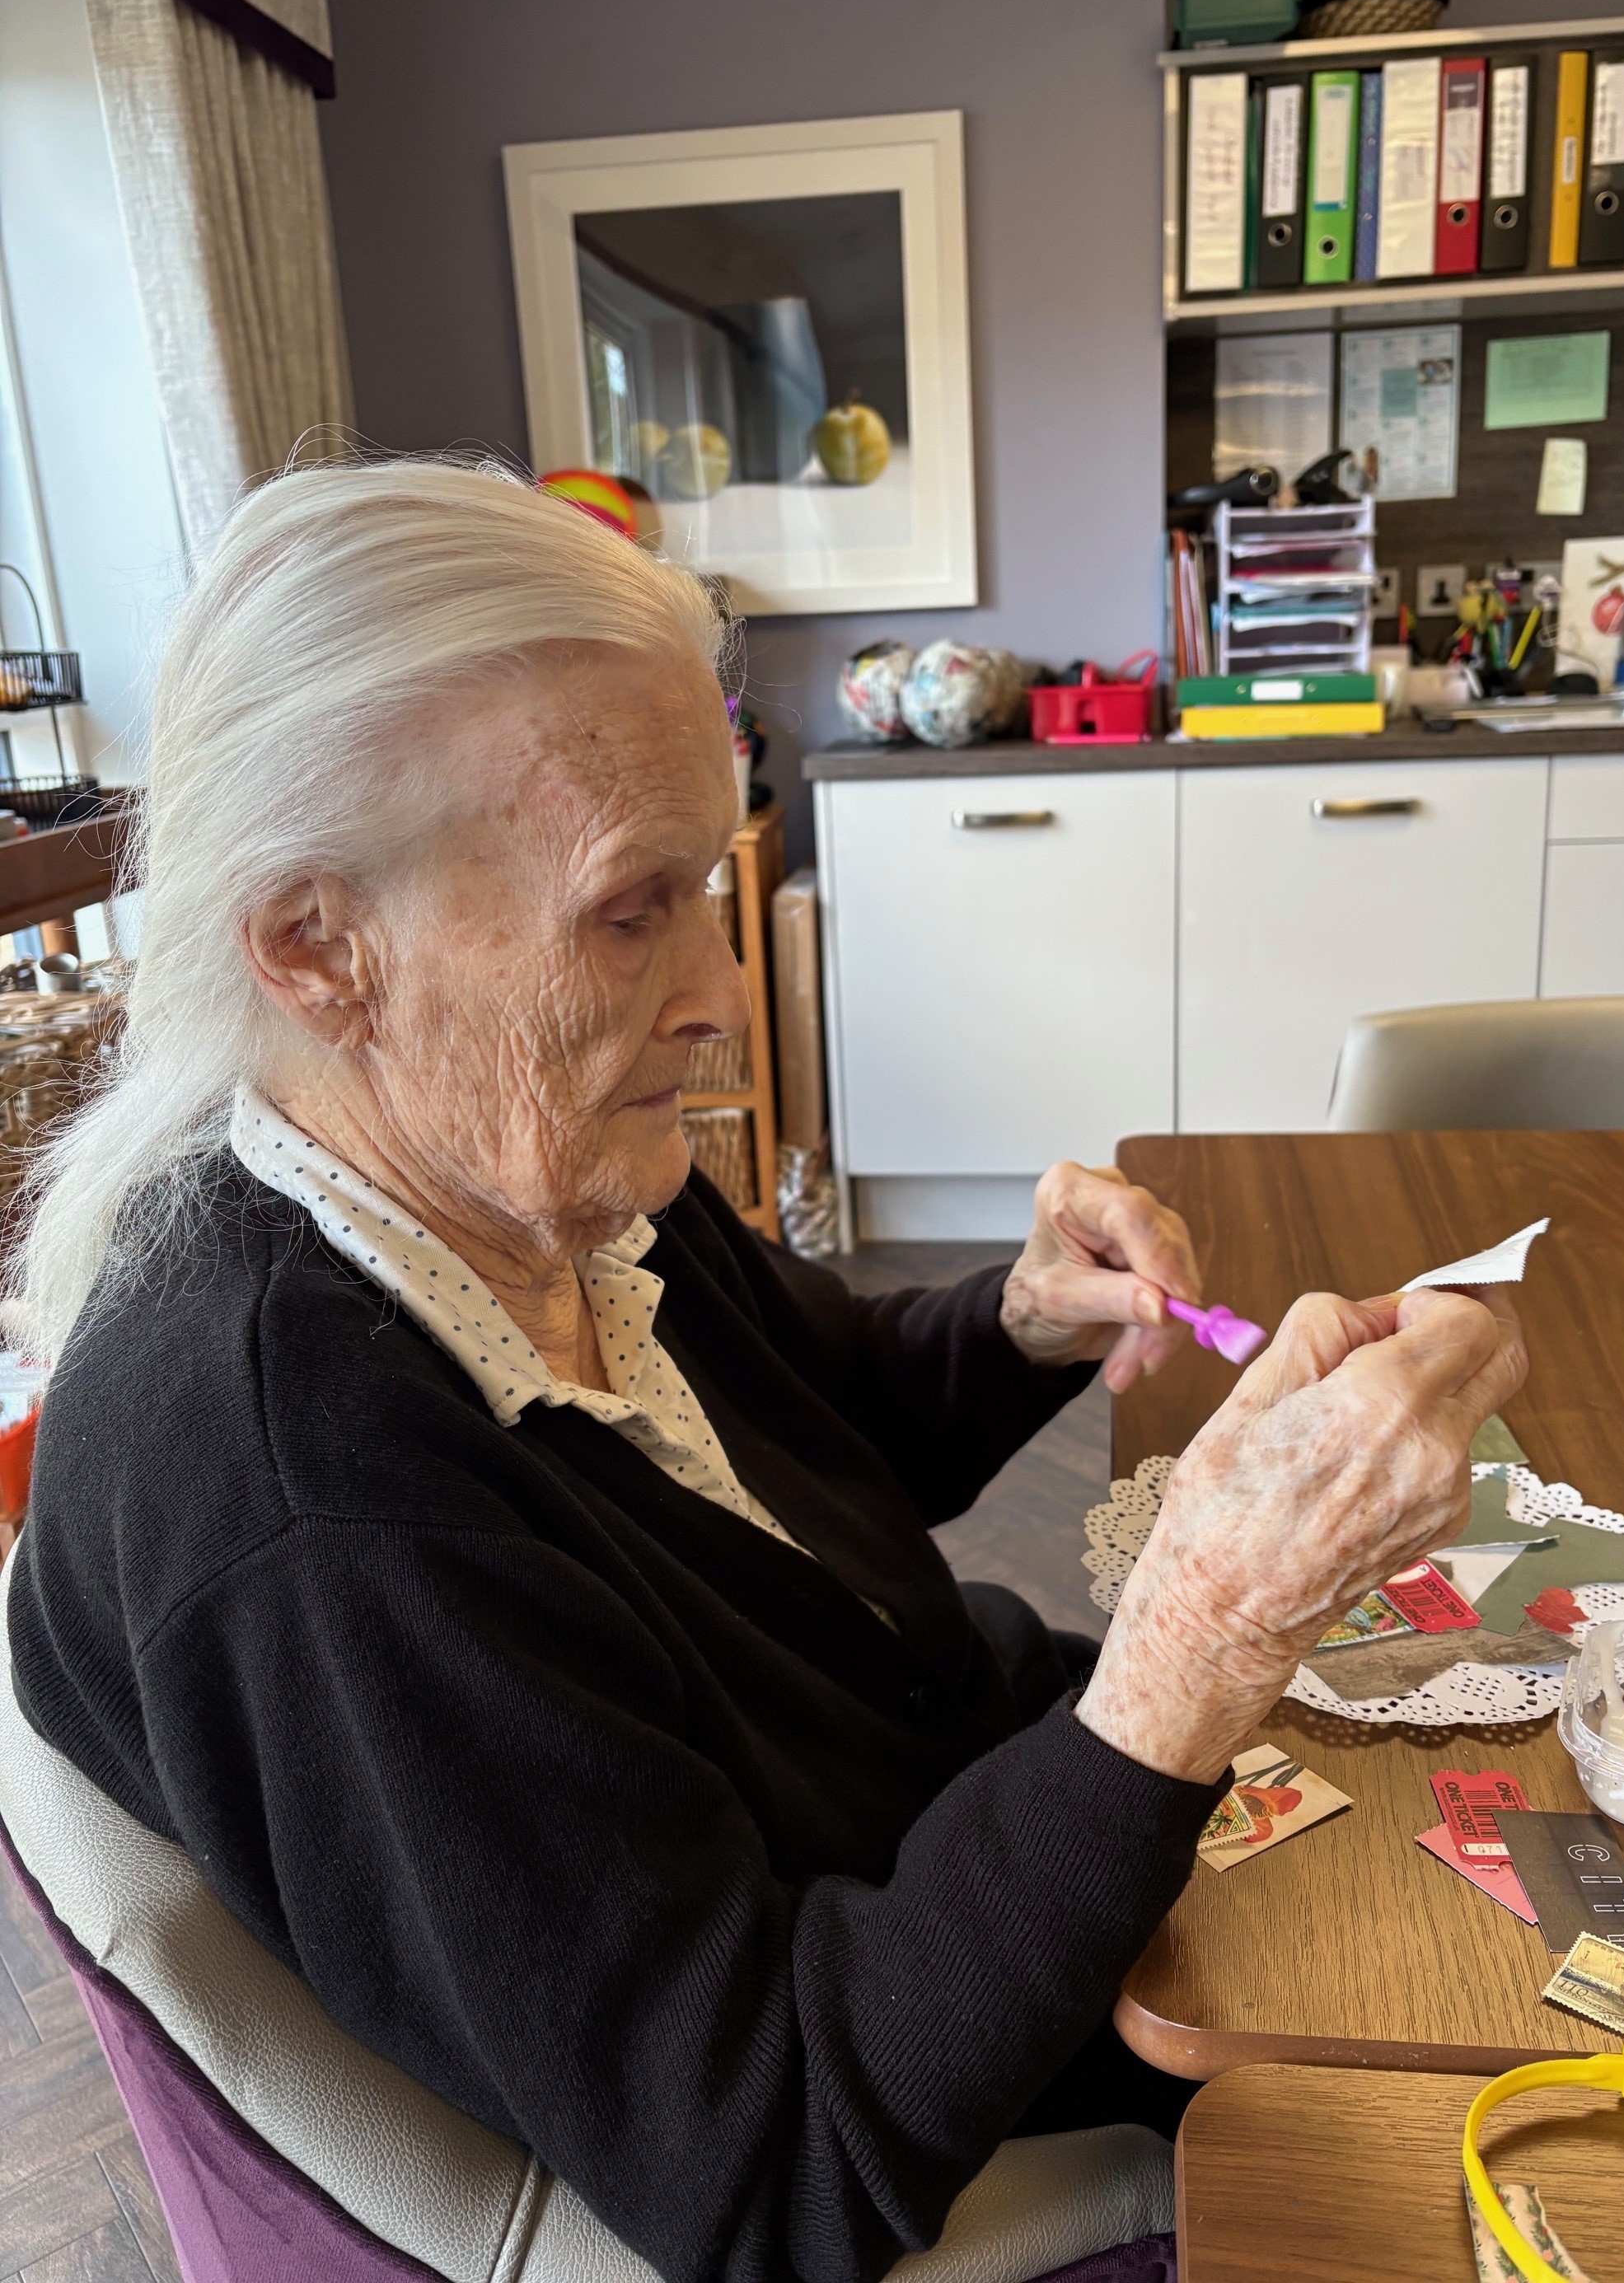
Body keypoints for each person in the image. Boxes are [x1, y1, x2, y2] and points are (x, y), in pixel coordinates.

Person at [3, 461, 1526, 2283]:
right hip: (951, 2057)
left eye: (712, 886)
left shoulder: (525, 1172)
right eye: (629, 910)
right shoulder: (315, 1505)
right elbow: (768, 2162)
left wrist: (1019, 1320)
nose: (725, 995)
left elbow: (826, 1419)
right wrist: (1199, 1630)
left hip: (984, 1810)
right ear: (320, 948)